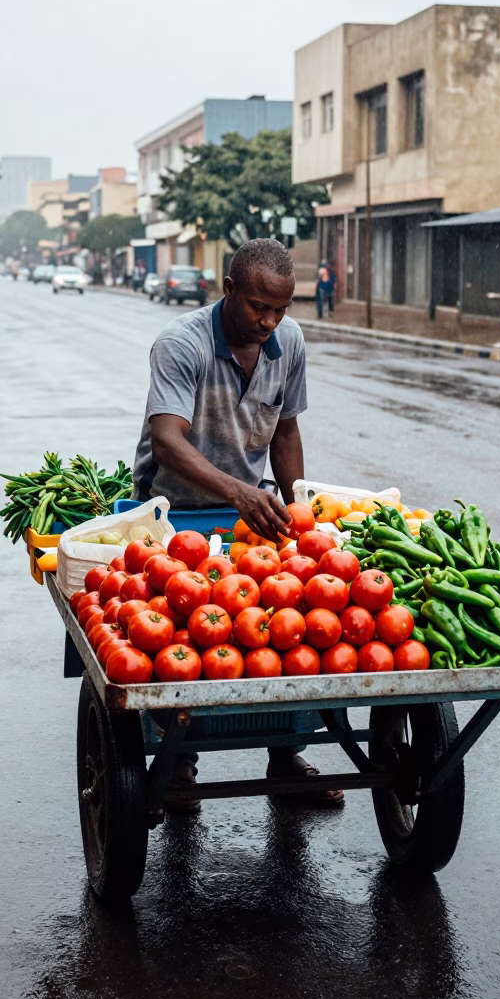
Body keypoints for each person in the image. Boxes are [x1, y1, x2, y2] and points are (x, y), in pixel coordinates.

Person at [134, 238, 343, 811]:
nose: (268, 321)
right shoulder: (182, 344)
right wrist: (238, 492)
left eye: (281, 309)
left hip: (252, 510)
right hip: (176, 515)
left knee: (289, 620)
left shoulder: (288, 342)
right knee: (189, 633)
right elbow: (167, 441)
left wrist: (299, 508)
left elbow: (286, 432)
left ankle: (286, 752)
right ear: (227, 290)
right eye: (256, 307)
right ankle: (178, 763)